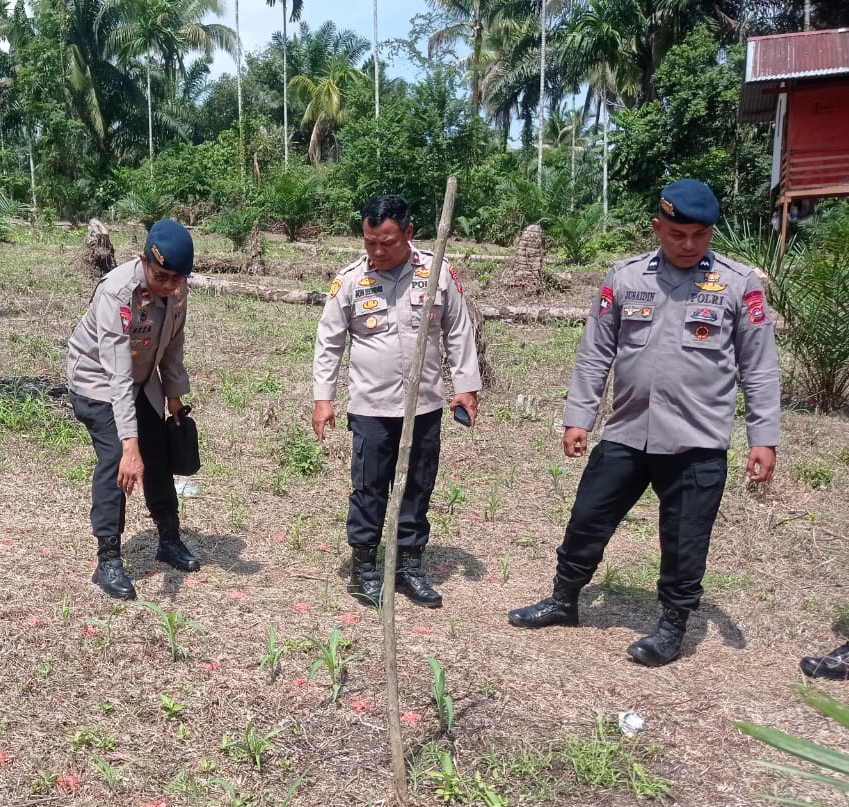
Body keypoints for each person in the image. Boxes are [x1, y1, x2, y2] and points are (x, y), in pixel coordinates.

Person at [507, 179, 780, 666]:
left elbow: (758, 367)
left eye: (701, 235)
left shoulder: (739, 286)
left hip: (697, 442)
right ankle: (564, 599)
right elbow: (596, 354)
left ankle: (672, 626)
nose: (690, 245)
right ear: (658, 227)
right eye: (678, 234)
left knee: (684, 539)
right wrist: (579, 417)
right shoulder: (625, 278)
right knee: (587, 519)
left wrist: (764, 437)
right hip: (627, 433)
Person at [312, 194, 482, 608]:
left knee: (417, 487)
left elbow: (458, 329)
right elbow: (329, 341)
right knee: (369, 488)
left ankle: (409, 565)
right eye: (370, 241)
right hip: (371, 408)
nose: (377, 251)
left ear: (409, 232)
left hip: (423, 405)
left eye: (387, 241)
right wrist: (323, 398)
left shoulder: (437, 272)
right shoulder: (350, 280)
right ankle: (365, 567)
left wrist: (466, 385)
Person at [67, 218, 200, 600]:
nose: (170, 285)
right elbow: (117, 374)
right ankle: (107, 558)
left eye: (177, 278)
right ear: (143, 260)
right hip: (97, 381)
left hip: (143, 379)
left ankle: (169, 539)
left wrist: (173, 393)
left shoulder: (176, 286)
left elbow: (174, 342)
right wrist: (128, 444)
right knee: (117, 460)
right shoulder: (116, 293)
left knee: (156, 451)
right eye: (162, 276)